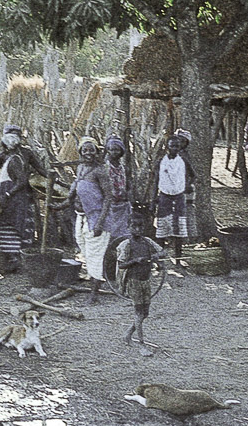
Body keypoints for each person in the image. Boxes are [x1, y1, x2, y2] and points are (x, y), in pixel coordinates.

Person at [51, 136, 113, 304]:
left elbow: (108, 197)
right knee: (84, 250)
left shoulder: (100, 171)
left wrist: (100, 222)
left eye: (91, 150)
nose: (88, 153)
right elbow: (73, 194)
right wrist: (58, 206)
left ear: (96, 151)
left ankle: (94, 295)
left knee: (95, 255)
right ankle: (95, 284)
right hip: (81, 217)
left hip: (96, 218)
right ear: (80, 152)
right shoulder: (81, 169)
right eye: (85, 150)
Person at [116, 211, 166, 357]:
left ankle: (128, 335)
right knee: (139, 312)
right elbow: (121, 265)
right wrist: (135, 261)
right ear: (128, 227)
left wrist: (155, 257)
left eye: (140, 226)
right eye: (134, 226)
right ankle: (142, 344)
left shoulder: (147, 242)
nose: (137, 229)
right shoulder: (126, 245)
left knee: (145, 313)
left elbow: (163, 252)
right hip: (134, 282)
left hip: (145, 281)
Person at [0, 130, 34, 272]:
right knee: (5, 227)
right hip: (10, 198)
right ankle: (11, 260)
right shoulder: (8, 158)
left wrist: (8, 193)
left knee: (12, 227)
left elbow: (22, 181)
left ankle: (15, 261)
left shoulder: (14, 160)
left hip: (14, 200)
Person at [151, 135, 193, 258]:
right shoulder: (161, 161)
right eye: (172, 146)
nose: (174, 148)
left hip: (179, 198)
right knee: (162, 228)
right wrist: (153, 199)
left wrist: (187, 185)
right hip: (164, 197)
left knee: (179, 229)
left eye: (177, 146)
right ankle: (161, 257)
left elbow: (193, 175)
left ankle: (178, 258)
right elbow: (156, 181)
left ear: (180, 148)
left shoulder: (183, 161)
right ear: (167, 147)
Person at [104, 135, 132, 239]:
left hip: (122, 203)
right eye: (112, 149)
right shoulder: (105, 167)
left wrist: (127, 194)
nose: (114, 152)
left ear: (121, 151)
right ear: (108, 150)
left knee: (123, 228)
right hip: (110, 203)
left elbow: (128, 183)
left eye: (117, 150)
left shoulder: (123, 168)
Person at [173, 128, 198, 240]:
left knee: (188, 214)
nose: (180, 144)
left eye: (183, 141)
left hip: (185, 190)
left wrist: (187, 185)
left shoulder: (184, 156)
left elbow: (193, 175)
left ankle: (190, 239)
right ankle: (181, 240)